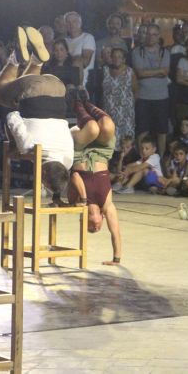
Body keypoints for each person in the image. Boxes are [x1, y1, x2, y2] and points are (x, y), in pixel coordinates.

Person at [0, 26, 72, 203]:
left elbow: (58, 177)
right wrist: (16, 144)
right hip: (34, 91)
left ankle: (37, 60)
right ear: (42, 174)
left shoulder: (68, 159)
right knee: (0, 93)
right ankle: (16, 58)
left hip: (58, 87)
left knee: (23, 89)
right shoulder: (29, 147)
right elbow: (12, 117)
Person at [68, 98, 122, 265]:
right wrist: (116, 259)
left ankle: (77, 102)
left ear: (84, 222)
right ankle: (88, 101)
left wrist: (83, 199)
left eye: (90, 228)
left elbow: (75, 177)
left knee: (92, 129)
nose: (95, 227)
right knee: (107, 125)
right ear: (101, 219)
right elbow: (115, 233)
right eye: (97, 228)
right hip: (101, 153)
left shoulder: (76, 204)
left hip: (78, 151)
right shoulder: (107, 206)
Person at [132, 24, 170, 156]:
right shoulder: (137, 51)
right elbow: (140, 73)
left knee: (161, 130)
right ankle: (143, 157)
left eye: (154, 34)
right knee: (142, 129)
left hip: (161, 97)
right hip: (143, 97)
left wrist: (147, 72)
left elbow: (165, 72)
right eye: (148, 34)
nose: (151, 37)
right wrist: (158, 71)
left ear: (159, 36)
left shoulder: (165, 52)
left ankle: (160, 159)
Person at [101, 48, 138, 150]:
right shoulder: (105, 70)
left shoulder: (130, 72)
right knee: (110, 138)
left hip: (126, 114)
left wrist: (128, 106)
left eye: (119, 57)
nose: (117, 59)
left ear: (124, 59)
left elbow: (136, 91)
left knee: (126, 140)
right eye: (114, 56)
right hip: (109, 112)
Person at [64, 11, 96, 86]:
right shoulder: (64, 41)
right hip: (64, 80)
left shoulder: (88, 38)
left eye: (74, 21)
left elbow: (85, 62)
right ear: (65, 25)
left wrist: (68, 59)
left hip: (82, 82)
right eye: (68, 22)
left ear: (80, 23)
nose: (71, 25)